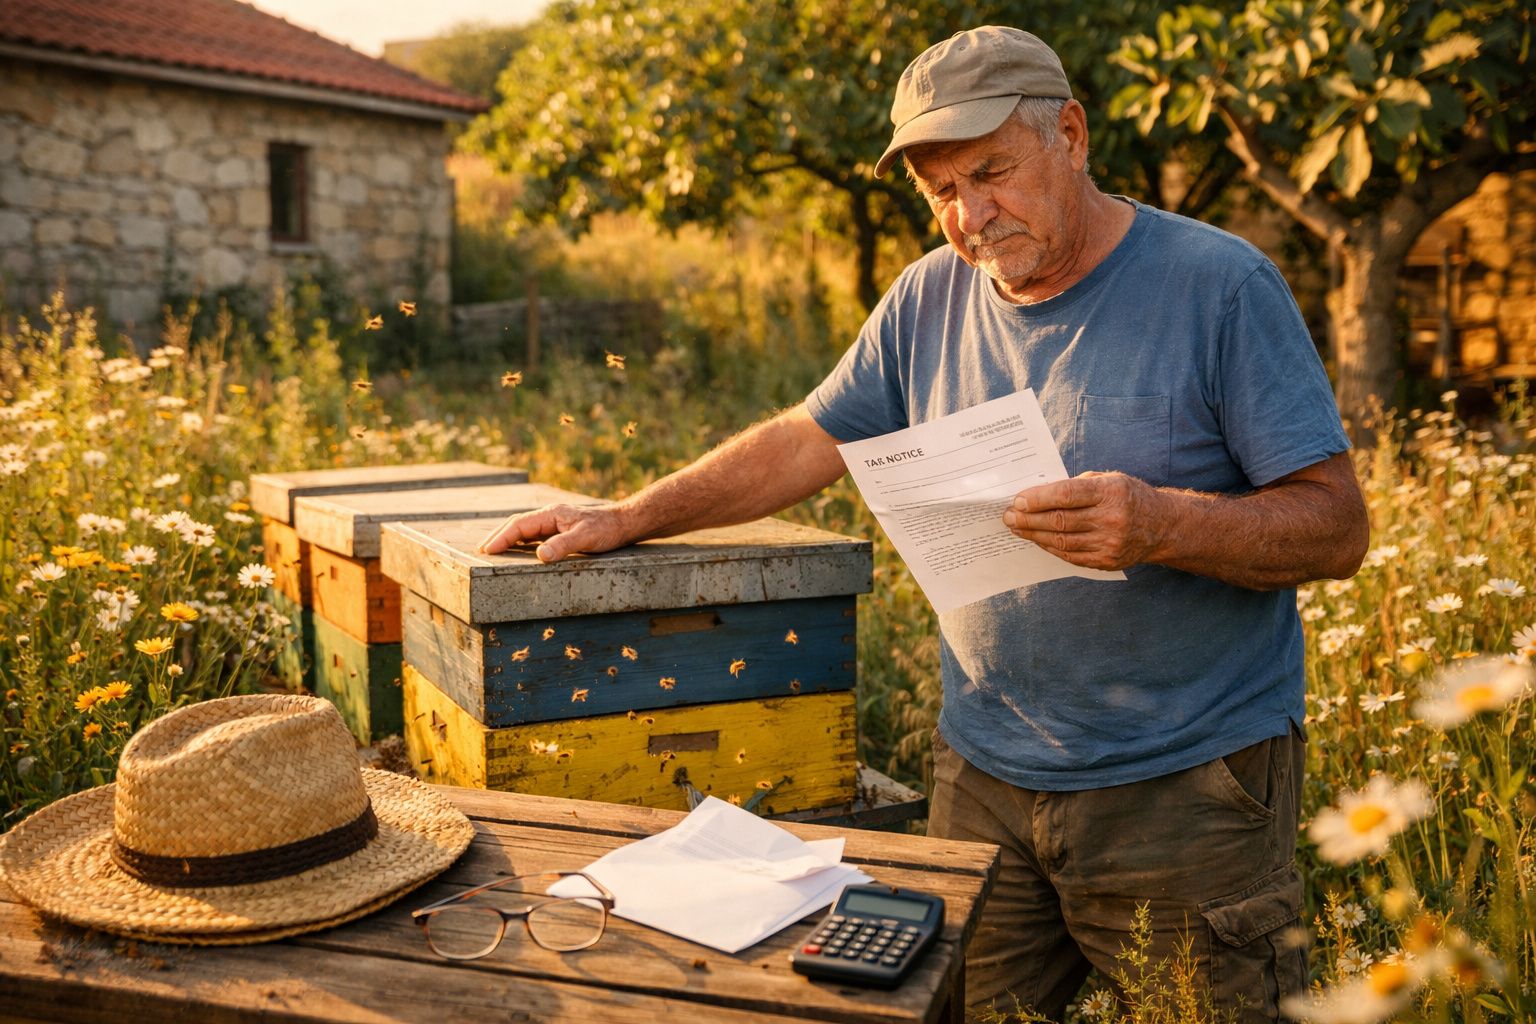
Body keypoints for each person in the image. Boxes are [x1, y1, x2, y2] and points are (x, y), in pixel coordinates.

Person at [478, 25, 1368, 1023]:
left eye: (992, 172)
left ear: (1070, 135)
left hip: (1186, 790)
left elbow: (1336, 529)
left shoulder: (1220, 287)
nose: (969, 215)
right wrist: (630, 515)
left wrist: (1161, 523)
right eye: (941, 190)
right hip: (984, 774)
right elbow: (802, 442)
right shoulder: (925, 298)